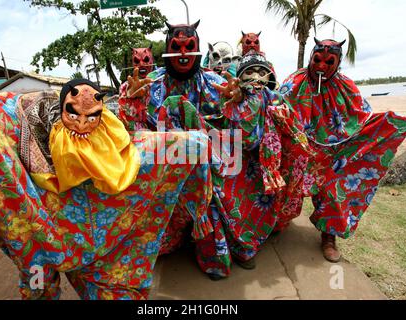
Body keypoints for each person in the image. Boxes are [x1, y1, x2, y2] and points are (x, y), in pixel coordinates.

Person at [0, 79, 213, 299]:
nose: (82, 124)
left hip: (112, 240)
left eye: (90, 117)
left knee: (190, 146)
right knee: (37, 266)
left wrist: (198, 200)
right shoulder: (46, 133)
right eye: (74, 115)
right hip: (63, 227)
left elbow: (164, 142)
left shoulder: (112, 132)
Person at [118, 21, 313, 280]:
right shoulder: (149, 85)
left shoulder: (216, 82)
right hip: (167, 165)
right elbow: (135, 134)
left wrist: (241, 103)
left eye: (190, 47)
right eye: (177, 47)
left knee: (230, 181)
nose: (184, 53)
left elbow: (245, 134)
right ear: (167, 49)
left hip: (214, 160)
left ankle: (230, 245)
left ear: (198, 49)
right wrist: (131, 103)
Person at [279, 38, 406, 262]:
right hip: (301, 149)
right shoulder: (294, 81)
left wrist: (387, 124)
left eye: (329, 62)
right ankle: (278, 223)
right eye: (317, 60)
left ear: (338, 62)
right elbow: (279, 108)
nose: (321, 66)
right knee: (287, 186)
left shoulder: (346, 86)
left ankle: (328, 237)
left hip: (335, 152)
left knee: (334, 190)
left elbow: (362, 116)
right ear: (311, 57)